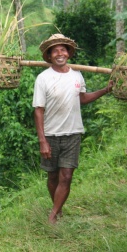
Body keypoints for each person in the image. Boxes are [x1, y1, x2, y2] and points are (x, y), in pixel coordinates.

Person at [32, 34, 114, 224]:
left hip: (73, 134)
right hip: (51, 135)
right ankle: (58, 209)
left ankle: (52, 216)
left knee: (66, 176)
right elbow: (38, 111)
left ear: (68, 53)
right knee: (53, 177)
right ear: (50, 56)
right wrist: (42, 140)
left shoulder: (77, 75)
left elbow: (82, 98)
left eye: (63, 49)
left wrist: (105, 90)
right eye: (55, 50)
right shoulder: (43, 79)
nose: (60, 53)